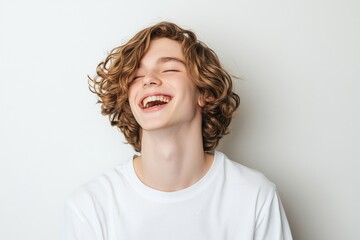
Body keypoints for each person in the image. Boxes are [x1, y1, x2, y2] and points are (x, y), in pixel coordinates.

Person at [63, 21, 292, 240]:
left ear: (204, 93)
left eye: (169, 69)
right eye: (137, 76)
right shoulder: (90, 206)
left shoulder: (254, 196)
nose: (149, 80)